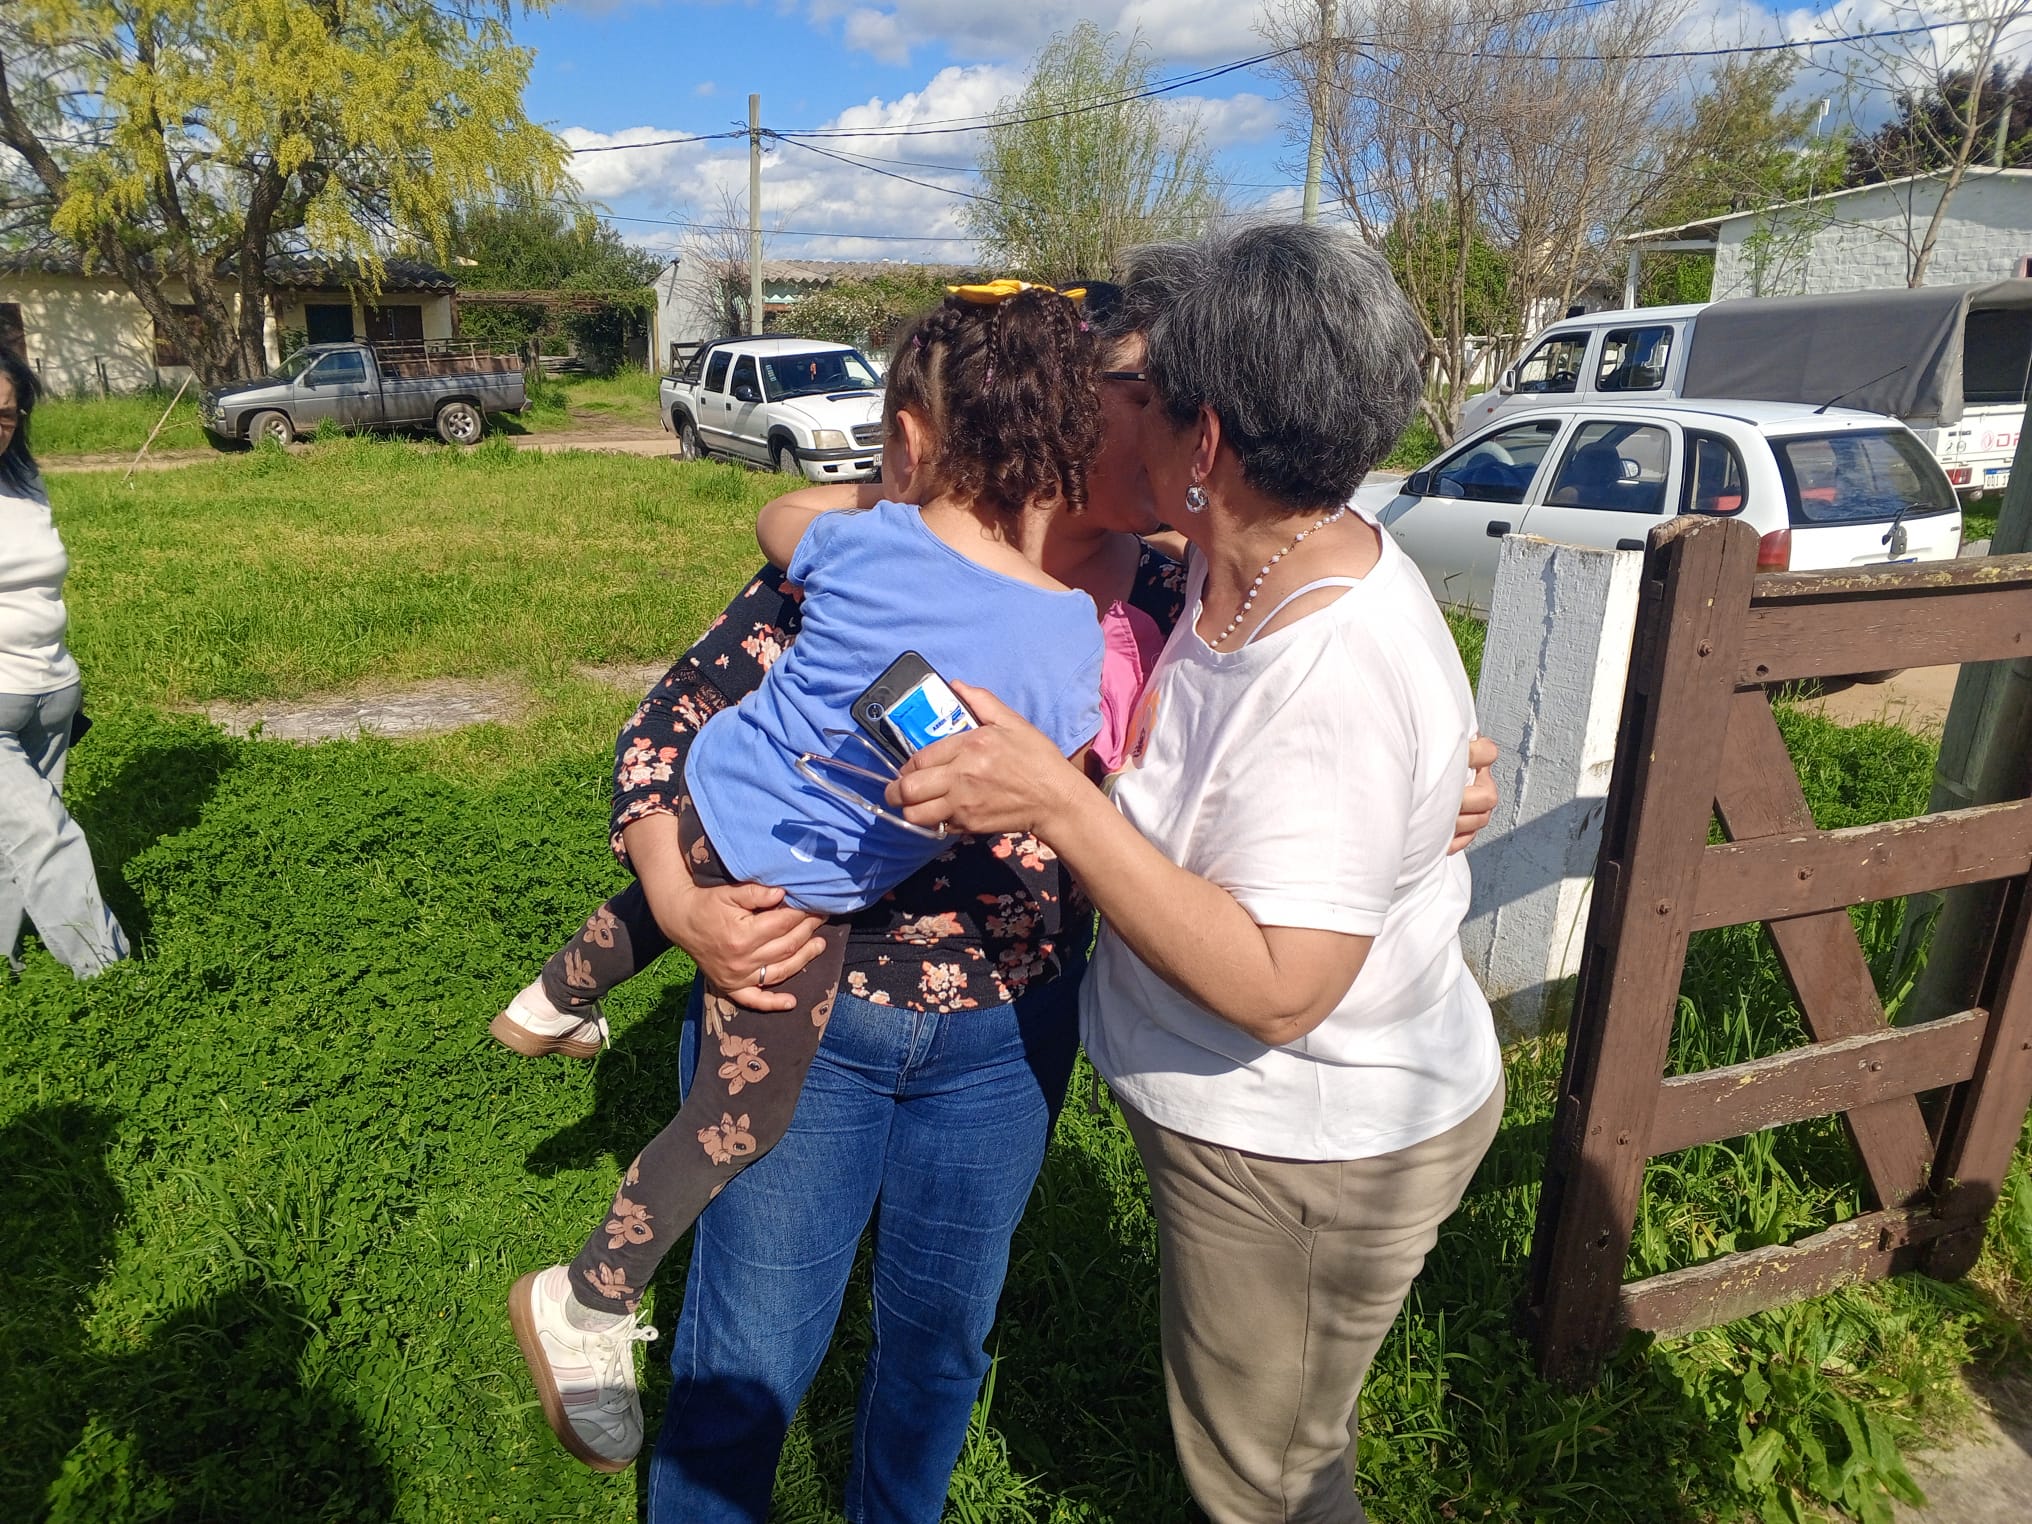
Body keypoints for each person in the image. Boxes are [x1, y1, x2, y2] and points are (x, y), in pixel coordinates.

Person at [509, 286, 1499, 1517]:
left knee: (936, 1353)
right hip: (803, 1006)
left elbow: (1263, 761)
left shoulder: (1172, 594)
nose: (1163, 424)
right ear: (1066, 415)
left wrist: (1424, 787)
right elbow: (679, 721)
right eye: (1137, 391)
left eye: (1168, 399)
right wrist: (673, 891)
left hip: (1004, 1034)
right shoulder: (900, 536)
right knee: (749, 1349)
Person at [890, 224, 1505, 1522]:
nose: (1109, 413)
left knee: (1262, 1484)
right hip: (1281, 1135)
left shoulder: (1324, 665)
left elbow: (1284, 985)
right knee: (1289, 1430)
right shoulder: (1246, 551)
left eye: (1134, 393)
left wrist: (1059, 800)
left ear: (1208, 443)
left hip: (1304, 1156)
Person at [502, 285, 1110, 1475]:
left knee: (697, 876)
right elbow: (1067, 769)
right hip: (803, 900)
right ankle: (585, 1295)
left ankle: (552, 999)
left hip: (716, 804)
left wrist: (893, 498)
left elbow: (780, 520)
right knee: (740, 1119)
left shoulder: (860, 536)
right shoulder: (1067, 631)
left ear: (913, 438)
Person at [0, 347, 129, 980]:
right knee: (48, 838)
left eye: (5, 414)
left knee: (11, 848)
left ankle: (9, 970)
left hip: (49, 690)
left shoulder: (23, 481)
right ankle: (112, 983)